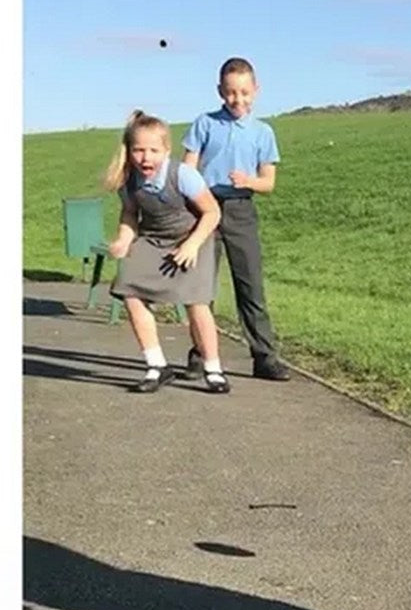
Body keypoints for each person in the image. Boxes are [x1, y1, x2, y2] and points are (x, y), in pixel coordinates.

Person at [181, 57, 291, 381]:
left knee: (251, 287)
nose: (237, 99)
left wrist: (248, 181)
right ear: (220, 91)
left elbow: (269, 182)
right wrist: (192, 198)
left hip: (241, 210)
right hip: (205, 210)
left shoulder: (263, 132)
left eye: (244, 92)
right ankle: (200, 354)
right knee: (201, 288)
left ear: (256, 90)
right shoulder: (204, 124)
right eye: (230, 92)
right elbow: (187, 169)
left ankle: (264, 358)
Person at [106, 110, 230, 395]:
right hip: (153, 239)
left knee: (197, 303)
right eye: (138, 150)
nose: (145, 158)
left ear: (166, 150)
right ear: (129, 150)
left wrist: (192, 244)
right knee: (129, 291)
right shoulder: (128, 180)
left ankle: (213, 369)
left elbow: (212, 212)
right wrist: (124, 238)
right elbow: (130, 213)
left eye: (153, 150)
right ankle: (157, 366)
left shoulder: (183, 174)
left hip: (193, 237)